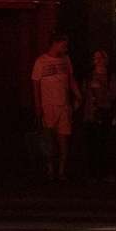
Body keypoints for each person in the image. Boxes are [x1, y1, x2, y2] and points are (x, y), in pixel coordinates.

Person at [31, 33, 81, 180]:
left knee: (63, 139)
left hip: (63, 105)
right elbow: (36, 84)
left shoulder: (66, 60)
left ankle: (61, 170)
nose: (65, 48)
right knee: (49, 138)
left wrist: (78, 95)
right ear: (55, 44)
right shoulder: (41, 62)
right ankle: (50, 168)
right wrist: (38, 104)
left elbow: (70, 79)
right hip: (49, 105)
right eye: (63, 45)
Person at [82, 48, 116, 182]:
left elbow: (113, 95)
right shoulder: (89, 76)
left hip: (105, 111)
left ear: (105, 60)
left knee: (105, 143)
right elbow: (84, 94)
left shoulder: (110, 75)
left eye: (100, 58)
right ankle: (93, 173)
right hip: (91, 113)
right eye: (95, 58)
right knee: (92, 144)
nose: (98, 60)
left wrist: (100, 88)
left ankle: (106, 172)